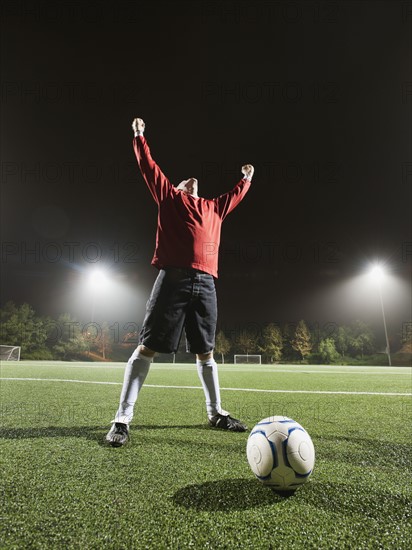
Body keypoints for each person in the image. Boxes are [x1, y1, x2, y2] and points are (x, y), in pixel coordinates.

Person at [106, 117, 254, 447]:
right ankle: (122, 419)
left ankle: (216, 413)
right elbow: (148, 166)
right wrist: (139, 136)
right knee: (148, 347)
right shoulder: (170, 199)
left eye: (192, 180)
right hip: (173, 278)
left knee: (206, 351)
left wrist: (246, 179)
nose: (190, 180)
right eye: (183, 180)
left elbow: (236, 195)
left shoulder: (214, 207)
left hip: (205, 283)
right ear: (176, 188)